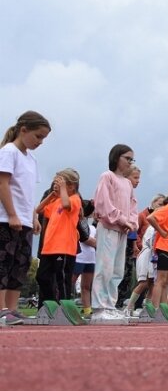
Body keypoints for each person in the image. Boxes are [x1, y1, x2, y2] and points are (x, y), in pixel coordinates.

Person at [0, 111, 50, 325]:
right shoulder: (9, 152)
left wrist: (34, 217)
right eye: (38, 136)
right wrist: (12, 214)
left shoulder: (32, 159)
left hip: (25, 220)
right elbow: (3, 184)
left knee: (20, 266)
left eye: (43, 139)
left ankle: (11, 309)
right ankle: (1, 309)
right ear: (23, 130)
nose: (40, 142)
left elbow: (28, 192)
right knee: (3, 263)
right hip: (6, 219)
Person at [91, 144, 138, 322]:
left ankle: (110, 305)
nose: (129, 162)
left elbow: (133, 206)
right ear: (116, 157)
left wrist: (132, 222)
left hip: (122, 231)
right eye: (127, 158)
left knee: (117, 269)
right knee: (105, 267)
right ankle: (98, 308)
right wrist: (122, 219)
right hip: (109, 227)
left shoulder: (127, 183)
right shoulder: (107, 176)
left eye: (131, 159)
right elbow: (103, 203)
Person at [34, 169, 81, 305]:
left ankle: (64, 305)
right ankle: (52, 302)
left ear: (71, 187)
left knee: (62, 278)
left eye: (60, 183)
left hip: (64, 247)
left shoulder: (74, 199)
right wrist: (51, 195)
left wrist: (62, 191)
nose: (56, 185)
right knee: (41, 277)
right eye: (55, 183)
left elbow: (67, 205)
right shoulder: (55, 202)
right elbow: (39, 210)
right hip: (49, 247)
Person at [116, 164, 141, 308]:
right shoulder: (121, 194)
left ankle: (120, 302)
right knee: (118, 270)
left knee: (127, 273)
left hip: (129, 240)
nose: (138, 181)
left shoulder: (132, 197)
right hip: (119, 236)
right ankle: (113, 302)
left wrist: (134, 244)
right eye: (135, 178)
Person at [73, 200, 97, 318]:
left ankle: (87, 310)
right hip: (79, 257)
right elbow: (86, 239)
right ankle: (64, 305)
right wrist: (98, 244)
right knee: (70, 282)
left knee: (86, 286)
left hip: (90, 259)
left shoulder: (92, 227)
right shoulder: (78, 223)